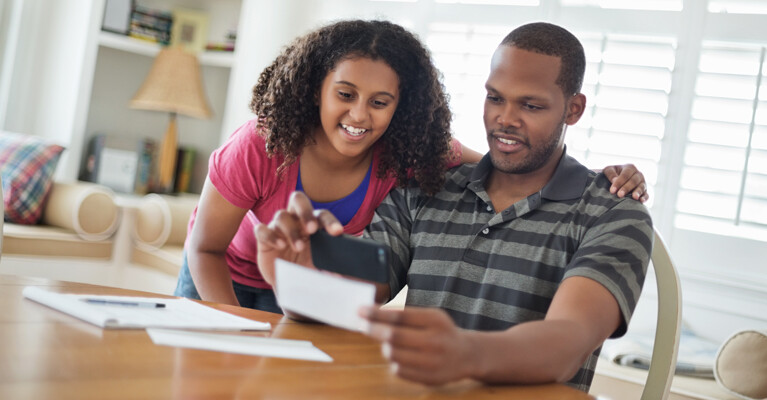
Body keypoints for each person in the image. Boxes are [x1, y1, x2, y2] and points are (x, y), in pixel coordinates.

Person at [254, 21, 653, 393]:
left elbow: (569, 342)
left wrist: (466, 355)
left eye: (530, 106)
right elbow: (350, 303)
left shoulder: (613, 211)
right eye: (495, 98)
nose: (505, 119)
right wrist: (296, 275)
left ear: (573, 109)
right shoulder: (424, 191)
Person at [176, 19, 648, 314]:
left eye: (379, 102)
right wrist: (238, 325)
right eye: (345, 95)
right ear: (314, 87)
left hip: (298, 285)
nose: (360, 115)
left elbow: (499, 160)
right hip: (223, 270)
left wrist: (594, 177)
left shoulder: (410, 155)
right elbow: (206, 249)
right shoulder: (263, 145)